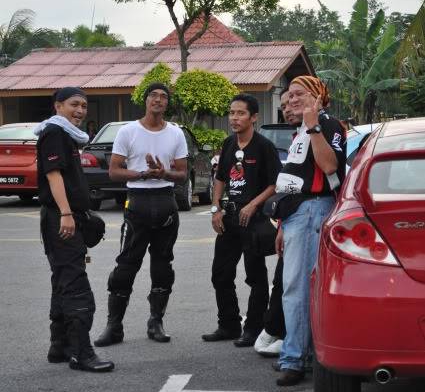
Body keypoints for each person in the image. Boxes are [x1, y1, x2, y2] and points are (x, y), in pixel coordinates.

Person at [95, 82, 188, 347]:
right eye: (153, 96)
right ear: (145, 101)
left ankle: (156, 321)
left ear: (167, 103)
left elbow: (182, 174)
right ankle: (114, 327)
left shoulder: (176, 133)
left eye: (163, 97)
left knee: (162, 267)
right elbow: (114, 171)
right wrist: (142, 174)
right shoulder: (128, 131)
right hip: (137, 202)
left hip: (166, 202)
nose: (158, 100)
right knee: (125, 267)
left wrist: (164, 174)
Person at [272, 76, 346, 386]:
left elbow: (330, 167)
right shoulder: (302, 130)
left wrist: (314, 126)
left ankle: (294, 358)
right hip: (297, 214)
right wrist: (283, 226)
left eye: (298, 94)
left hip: (313, 210)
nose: (290, 101)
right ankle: (301, 353)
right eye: (287, 97)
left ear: (318, 95)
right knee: (297, 286)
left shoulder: (326, 125)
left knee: (297, 288)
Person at [35, 87, 114, 373]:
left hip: (69, 215)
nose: (80, 111)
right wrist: (67, 213)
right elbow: (52, 175)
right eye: (73, 105)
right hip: (61, 216)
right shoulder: (54, 133)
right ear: (58, 106)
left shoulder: (67, 135)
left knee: (63, 280)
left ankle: (60, 346)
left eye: (84, 105)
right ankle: (82, 353)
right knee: (75, 284)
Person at [202, 93, 282, 347]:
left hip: (254, 220)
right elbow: (220, 178)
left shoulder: (264, 147)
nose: (234, 118)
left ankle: (253, 328)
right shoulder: (228, 145)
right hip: (230, 218)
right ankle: (228, 325)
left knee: (255, 276)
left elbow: (275, 183)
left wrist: (253, 204)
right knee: (221, 274)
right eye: (231, 113)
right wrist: (216, 209)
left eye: (240, 113)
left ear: (254, 117)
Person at [254, 89, 302, 357]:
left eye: (294, 101)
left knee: (292, 283)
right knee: (283, 279)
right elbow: (288, 189)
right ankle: (275, 328)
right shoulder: (297, 137)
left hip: (311, 221)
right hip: (291, 219)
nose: (288, 108)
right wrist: (283, 224)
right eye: (284, 104)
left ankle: (290, 339)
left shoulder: (322, 131)